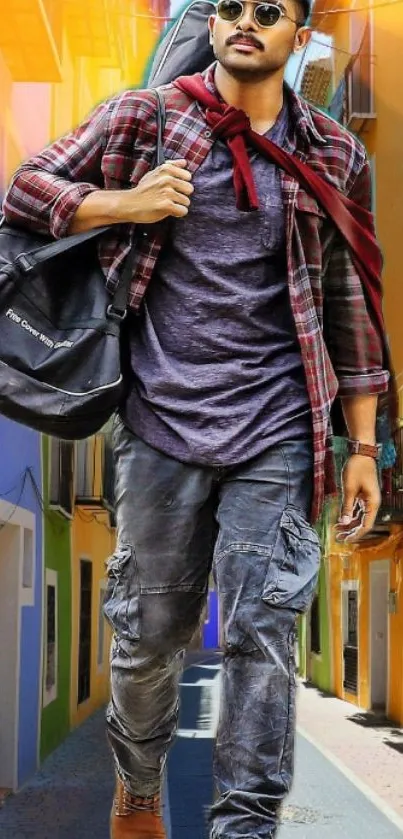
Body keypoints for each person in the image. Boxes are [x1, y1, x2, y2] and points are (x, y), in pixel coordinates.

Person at [2, 0, 389, 836]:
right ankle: (138, 783)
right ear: (210, 26)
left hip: (280, 428)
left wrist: (362, 443)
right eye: (226, 7)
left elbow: (349, 296)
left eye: (266, 11)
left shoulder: (333, 151)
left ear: (297, 34)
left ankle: (242, 823)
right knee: (148, 637)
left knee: (263, 635)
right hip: (157, 420)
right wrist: (122, 204)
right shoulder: (145, 117)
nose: (242, 21)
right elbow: (26, 188)